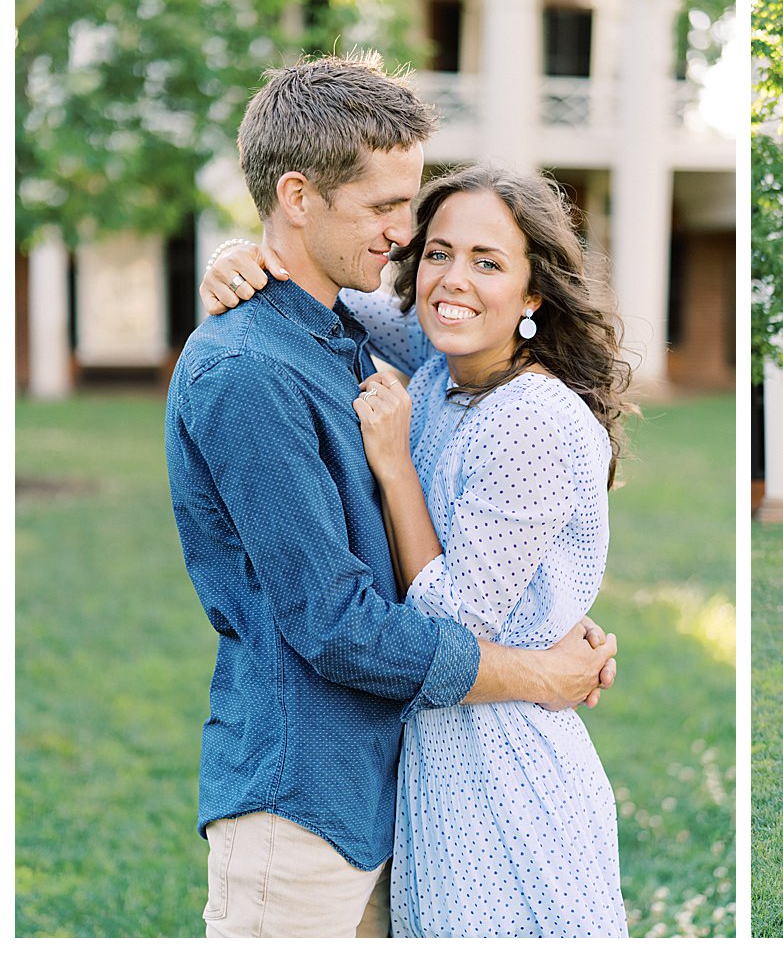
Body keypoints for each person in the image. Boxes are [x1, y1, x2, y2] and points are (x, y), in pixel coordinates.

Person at [165, 54, 616, 939]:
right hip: (302, 805)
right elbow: (335, 623)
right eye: (385, 209)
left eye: (411, 208)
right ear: (298, 197)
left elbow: (439, 325)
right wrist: (539, 671)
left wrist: (550, 611)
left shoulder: (339, 329)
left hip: (392, 794)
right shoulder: (249, 372)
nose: (406, 237)